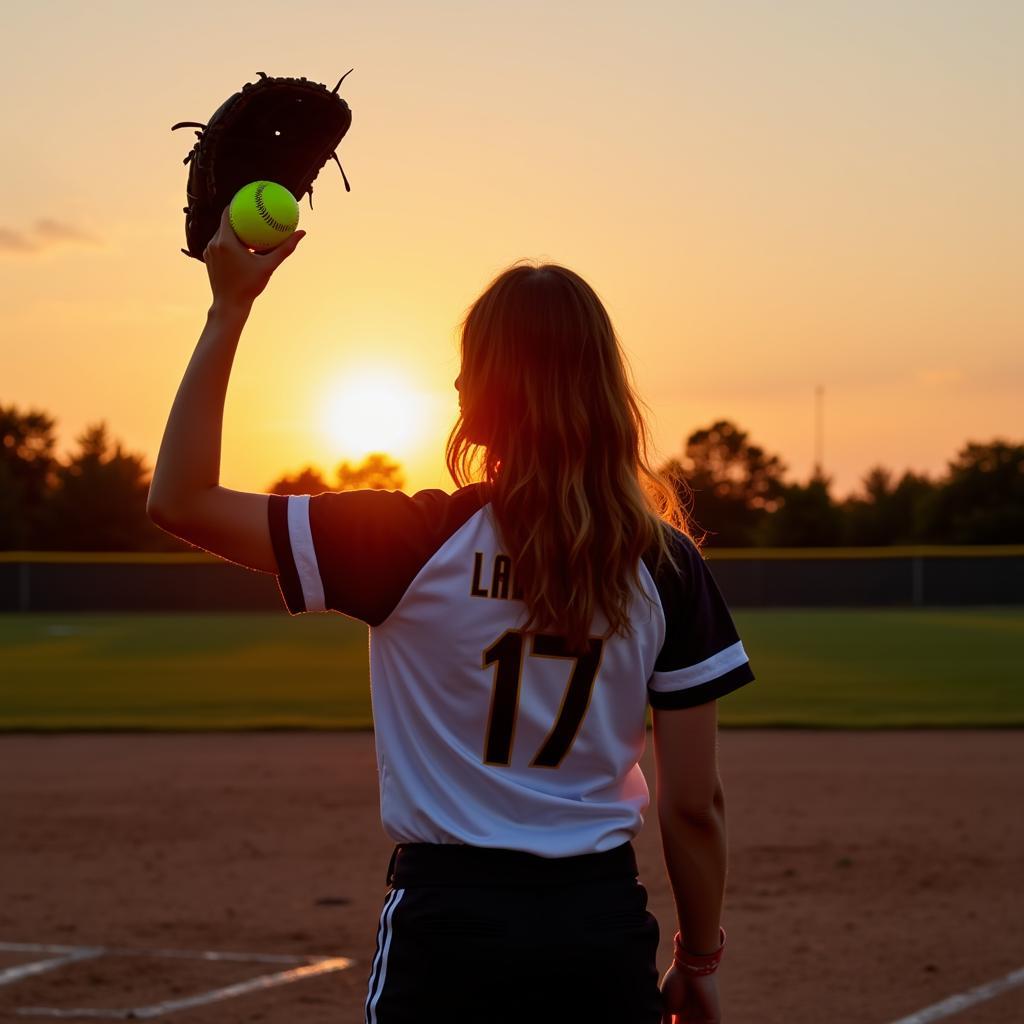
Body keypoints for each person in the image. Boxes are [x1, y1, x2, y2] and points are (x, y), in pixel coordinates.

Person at [147, 218, 755, 1023]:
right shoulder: (665, 564)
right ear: (606, 386)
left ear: (478, 397)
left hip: (450, 927)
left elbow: (180, 500)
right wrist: (699, 960)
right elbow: (692, 805)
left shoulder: (409, 540)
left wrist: (230, 309)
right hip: (596, 927)